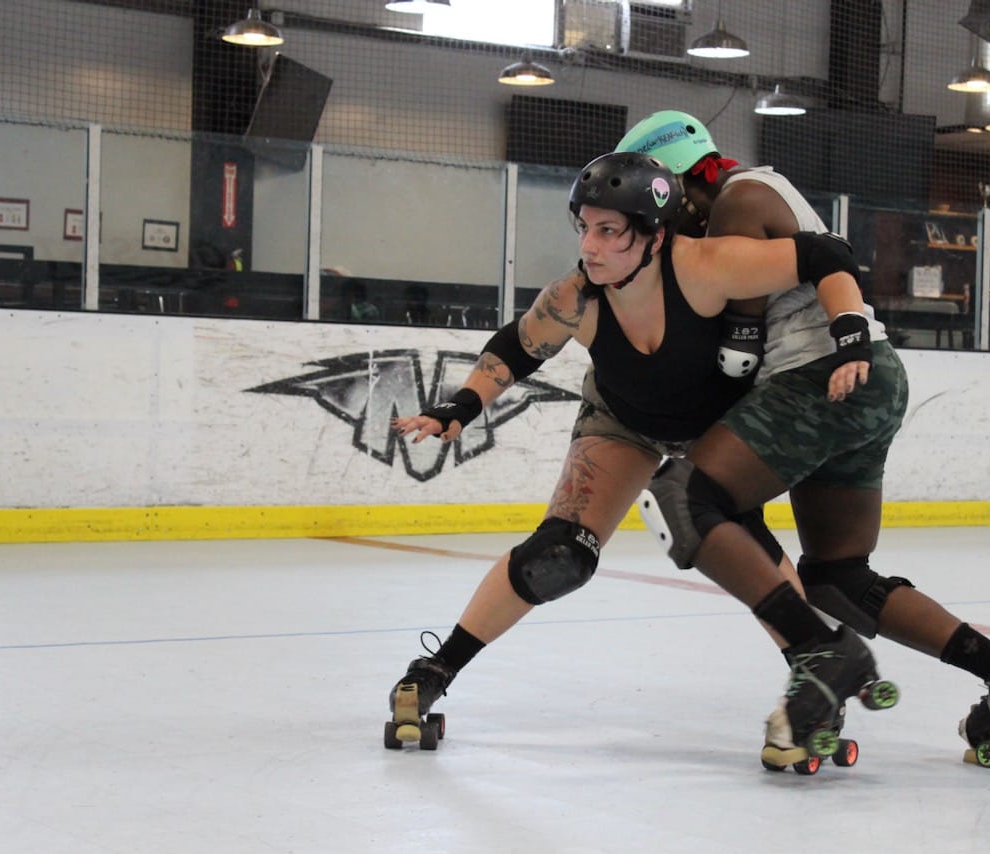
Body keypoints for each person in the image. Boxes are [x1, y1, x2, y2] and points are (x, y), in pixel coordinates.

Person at [383, 152, 895, 756]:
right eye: (584, 228)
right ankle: (436, 670)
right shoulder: (577, 296)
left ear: (653, 235)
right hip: (622, 422)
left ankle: (817, 670)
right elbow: (518, 348)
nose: (590, 248)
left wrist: (850, 332)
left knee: (736, 540)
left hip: (710, 427)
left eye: (608, 231)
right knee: (558, 556)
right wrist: (460, 407)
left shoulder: (705, 267)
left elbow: (825, 253)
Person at [621, 110, 990, 769]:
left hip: (819, 377)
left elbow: (739, 354)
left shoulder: (738, 201)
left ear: (678, 179)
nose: (659, 225)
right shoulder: (754, 195)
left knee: (681, 497)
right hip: (867, 381)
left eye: (658, 208)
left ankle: (821, 656)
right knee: (838, 578)